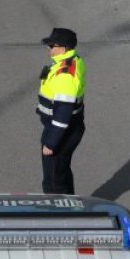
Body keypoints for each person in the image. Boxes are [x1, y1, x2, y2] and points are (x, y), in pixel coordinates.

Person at [37, 27, 86, 194]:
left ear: (63, 48)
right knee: (61, 172)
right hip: (66, 129)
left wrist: (51, 143)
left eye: (52, 46)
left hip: (61, 131)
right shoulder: (71, 60)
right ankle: (71, 209)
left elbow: (63, 113)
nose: (49, 49)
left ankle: (57, 214)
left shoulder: (65, 75)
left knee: (53, 181)